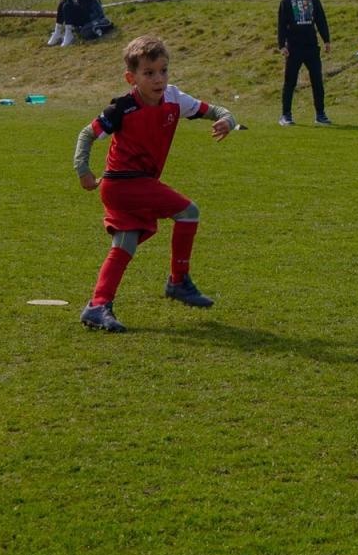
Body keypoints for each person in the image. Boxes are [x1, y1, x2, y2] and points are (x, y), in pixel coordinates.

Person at [73, 34, 241, 333]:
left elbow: (214, 110)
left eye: (163, 71)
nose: (158, 78)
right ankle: (178, 281)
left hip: (135, 184)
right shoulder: (122, 108)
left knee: (124, 245)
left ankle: (97, 306)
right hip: (123, 183)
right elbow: (87, 134)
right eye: (149, 73)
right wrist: (83, 170)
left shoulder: (175, 98)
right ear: (131, 77)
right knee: (188, 211)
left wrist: (227, 119)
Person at [276, 0, 332, 125]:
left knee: (317, 81)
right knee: (290, 81)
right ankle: (286, 115)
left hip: (311, 47)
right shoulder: (286, 2)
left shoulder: (313, 0)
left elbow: (321, 21)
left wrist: (326, 40)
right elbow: (281, 25)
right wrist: (282, 45)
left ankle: (320, 114)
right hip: (294, 48)